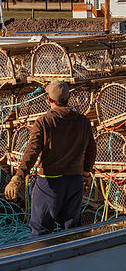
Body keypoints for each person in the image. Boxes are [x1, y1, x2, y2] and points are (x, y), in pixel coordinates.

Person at [4, 80, 96, 237]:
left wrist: (18, 176)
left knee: (41, 231)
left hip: (49, 184)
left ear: (49, 99)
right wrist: (86, 174)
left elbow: (32, 151)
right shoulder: (83, 121)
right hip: (74, 183)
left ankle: (45, 260)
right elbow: (91, 150)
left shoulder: (44, 122)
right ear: (68, 99)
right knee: (72, 231)